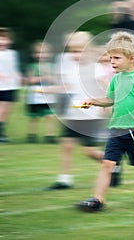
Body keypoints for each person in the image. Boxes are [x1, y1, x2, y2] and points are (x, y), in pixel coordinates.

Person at [77, 31, 134, 212]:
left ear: (132, 58)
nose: (112, 61)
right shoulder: (116, 79)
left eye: (116, 58)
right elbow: (110, 99)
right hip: (116, 130)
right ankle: (98, 200)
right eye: (110, 57)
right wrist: (93, 101)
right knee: (107, 163)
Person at [47, 32, 112, 190]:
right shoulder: (68, 65)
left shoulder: (95, 68)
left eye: (79, 51)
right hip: (72, 113)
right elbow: (67, 86)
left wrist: (106, 103)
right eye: (73, 51)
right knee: (66, 146)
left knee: (89, 151)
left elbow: (106, 87)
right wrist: (53, 89)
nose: (76, 55)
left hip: (90, 114)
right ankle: (65, 179)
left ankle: (113, 164)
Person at [25, 41, 58, 143]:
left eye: (44, 53)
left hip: (48, 94)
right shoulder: (32, 66)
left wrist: (50, 78)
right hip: (35, 95)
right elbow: (29, 80)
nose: (41, 55)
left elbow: (56, 79)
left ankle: (50, 135)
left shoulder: (52, 66)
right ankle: (32, 135)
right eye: (39, 53)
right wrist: (42, 77)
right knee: (34, 117)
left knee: (50, 116)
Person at [0, 27, 21, 142]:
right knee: (1, 109)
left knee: (6, 110)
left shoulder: (12, 54)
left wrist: (18, 76)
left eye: (4, 39)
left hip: (10, 86)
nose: (2, 42)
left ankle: (1, 132)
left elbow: (14, 68)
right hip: (1, 86)